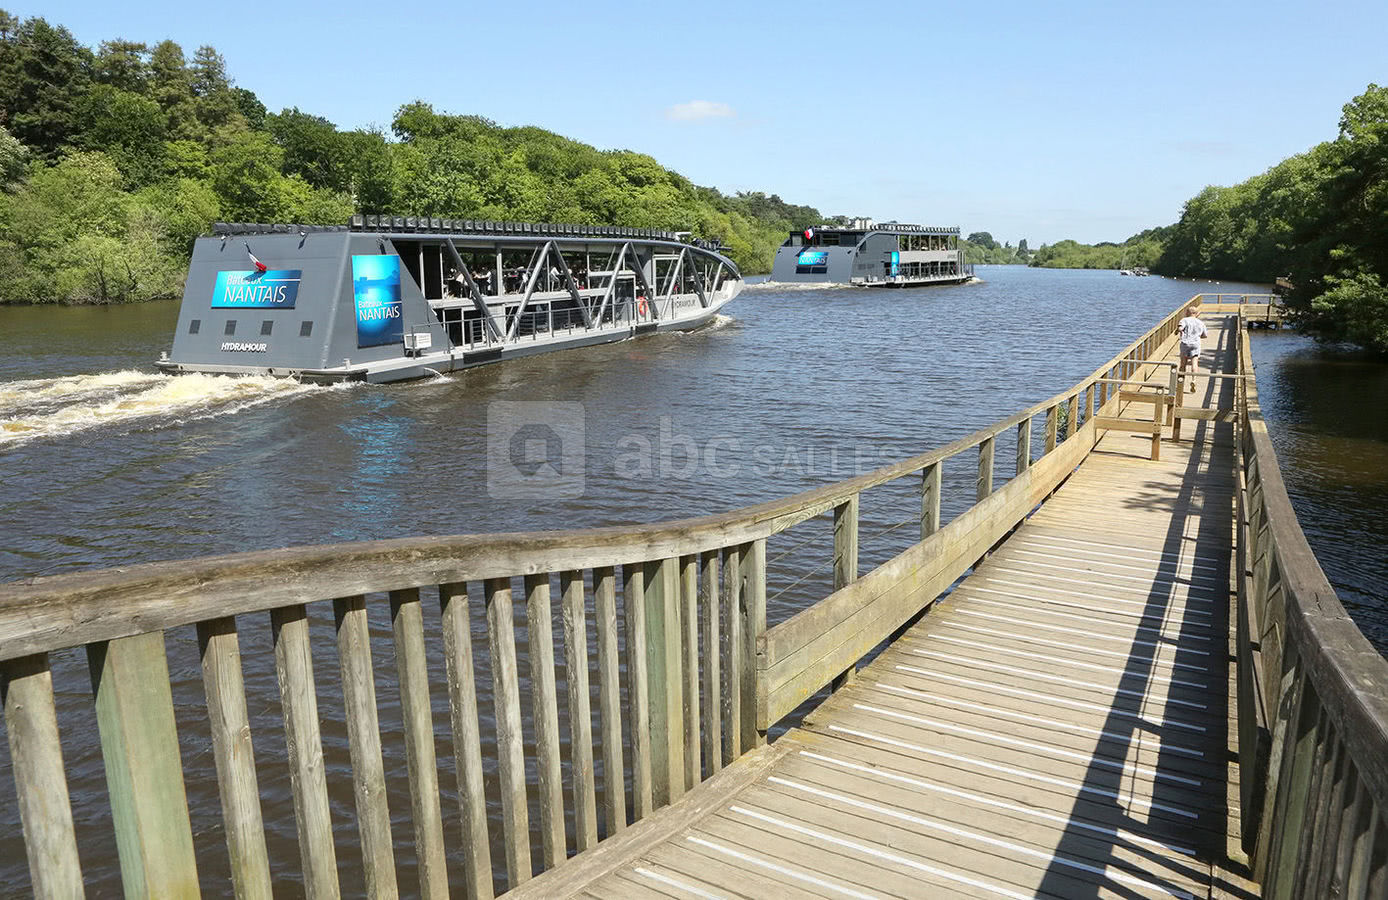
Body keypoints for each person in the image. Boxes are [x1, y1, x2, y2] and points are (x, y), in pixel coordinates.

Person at [1177, 305, 1208, 393]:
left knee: (1183, 364)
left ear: (1188, 312)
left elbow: (1180, 328)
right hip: (1195, 344)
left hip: (1185, 343)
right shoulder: (1200, 322)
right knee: (1195, 362)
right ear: (1196, 313)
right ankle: (1194, 380)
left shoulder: (1184, 320)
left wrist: (1179, 330)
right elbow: (1205, 335)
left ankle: (1180, 383)